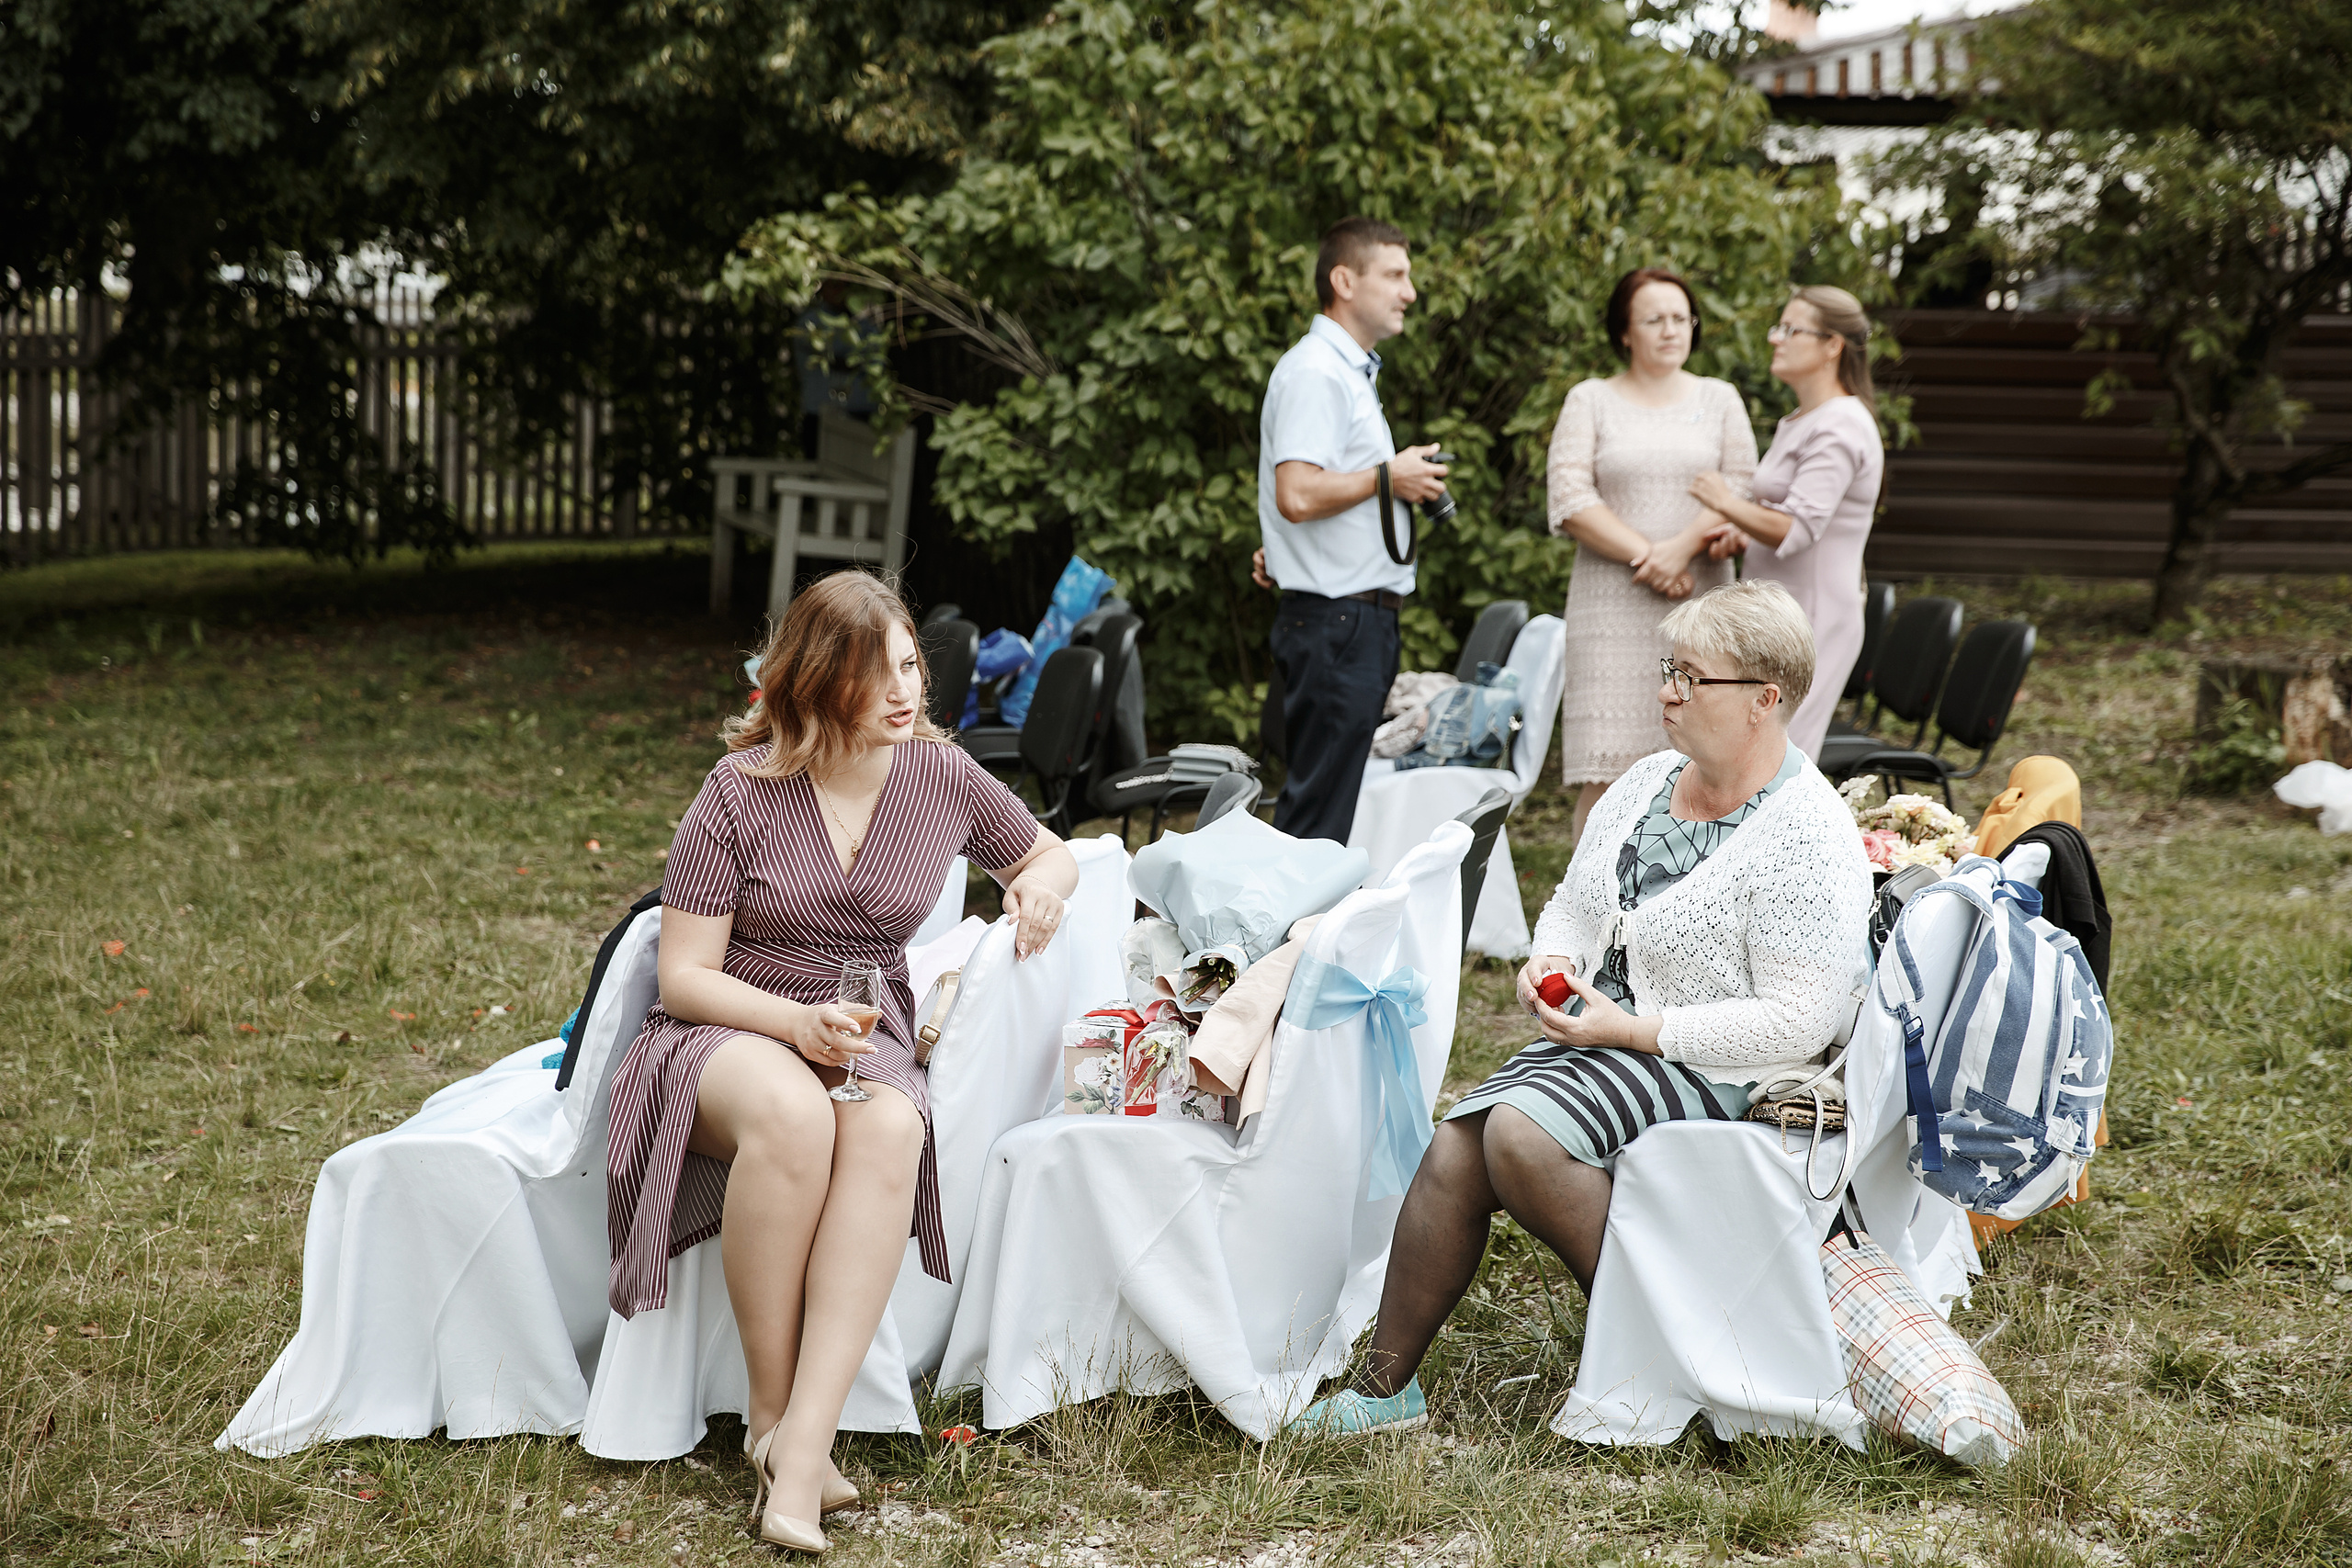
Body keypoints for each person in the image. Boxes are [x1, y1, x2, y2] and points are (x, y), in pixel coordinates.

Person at [1287, 581, 1871, 1436]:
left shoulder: (1808, 832)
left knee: (1521, 1136)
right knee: (1458, 1143)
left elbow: (1799, 1020)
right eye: (1667, 669)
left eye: (1691, 677)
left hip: (1718, 1063)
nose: (1667, 691)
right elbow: (1573, 901)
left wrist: (1632, 1029)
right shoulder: (1647, 781)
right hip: (1615, 1037)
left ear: (1763, 700)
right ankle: (1385, 1391)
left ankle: (1677, 1352)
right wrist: (1553, 958)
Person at [605, 571, 1078, 1552]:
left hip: (866, 1033)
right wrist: (790, 1022)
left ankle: (804, 1440)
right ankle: (776, 1426)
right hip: (728, 1026)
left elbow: (1043, 852)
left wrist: (1039, 890)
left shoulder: (939, 774)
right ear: (820, 684)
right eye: (876, 675)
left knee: (893, 1123)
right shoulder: (739, 792)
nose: (906, 692)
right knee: (793, 1115)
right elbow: (684, 974)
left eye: (911, 666)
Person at [1551, 266, 1760, 845]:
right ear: (1625, 331)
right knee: (1607, 773)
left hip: (1702, 600)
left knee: (1706, 759)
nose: (1671, 330)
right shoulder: (1589, 398)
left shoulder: (1721, 398)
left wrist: (1682, 549)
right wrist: (1650, 556)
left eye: (1680, 318)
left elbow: (1742, 487)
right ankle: (1591, 919)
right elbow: (1569, 498)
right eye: (1654, 319)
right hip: (1609, 607)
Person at [1257, 216, 1448, 843]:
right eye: (1395, 274)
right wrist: (1390, 475)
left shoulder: (1346, 371)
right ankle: (1293, 944)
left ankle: (1302, 940)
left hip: (1346, 623)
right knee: (1317, 824)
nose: (1409, 291)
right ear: (1344, 279)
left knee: (1325, 813)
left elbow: (1304, 498)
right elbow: (1298, 492)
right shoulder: (1319, 371)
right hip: (1339, 626)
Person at [1690, 286, 1886, 761]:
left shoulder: (1840, 425)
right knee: (1748, 752)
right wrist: (1740, 534)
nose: (1776, 338)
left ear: (1831, 346)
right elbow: (1785, 515)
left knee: (1779, 757)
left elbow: (1796, 530)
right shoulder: (1804, 419)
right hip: (1776, 613)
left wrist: (1724, 501)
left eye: (1791, 329)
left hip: (1813, 614)